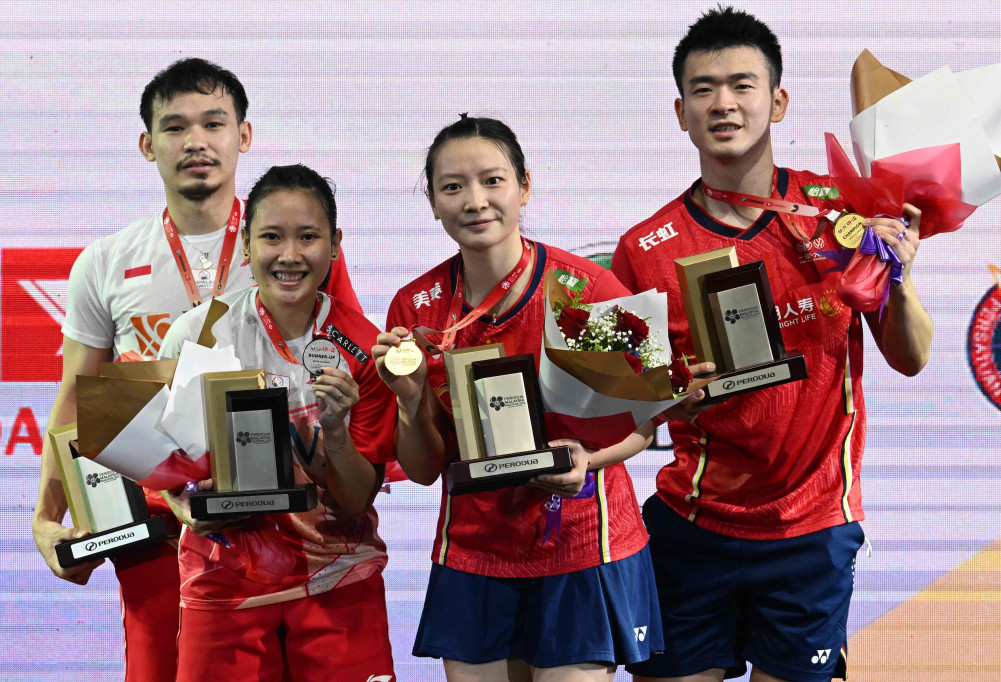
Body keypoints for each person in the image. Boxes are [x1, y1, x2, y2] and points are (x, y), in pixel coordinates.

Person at [612, 8, 933, 682]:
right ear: (680, 112)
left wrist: (898, 278)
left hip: (812, 529)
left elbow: (910, 358)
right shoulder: (644, 250)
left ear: (778, 102)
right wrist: (674, 398)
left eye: (742, 85)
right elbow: (629, 407)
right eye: (703, 89)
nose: (723, 104)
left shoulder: (843, 213)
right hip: (694, 526)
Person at [30, 58, 362, 682]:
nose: (196, 141)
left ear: (244, 135)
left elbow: (338, 374)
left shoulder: (290, 244)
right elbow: (78, 396)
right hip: (157, 529)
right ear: (147, 144)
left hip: (289, 523)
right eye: (175, 126)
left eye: (214, 123)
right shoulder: (105, 262)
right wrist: (46, 516)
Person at [373, 115, 664, 681]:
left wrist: (588, 459)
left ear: (524, 187)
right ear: (432, 202)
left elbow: (645, 422)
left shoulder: (586, 290)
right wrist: (408, 400)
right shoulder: (417, 308)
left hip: (581, 544)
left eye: (493, 181)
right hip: (475, 552)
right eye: (452, 186)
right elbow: (424, 470)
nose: (475, 201)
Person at [158, 164, 396, 681]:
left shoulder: (362, 345)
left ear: (335, 245)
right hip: (224, 585)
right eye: (271, 237)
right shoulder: (198, 335)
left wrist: (336, 431)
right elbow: (163, 463)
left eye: (308, 237)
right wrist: (184, 506)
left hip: (339, 581)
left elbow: (357, 500)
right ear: (246, 244)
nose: (290, 255)